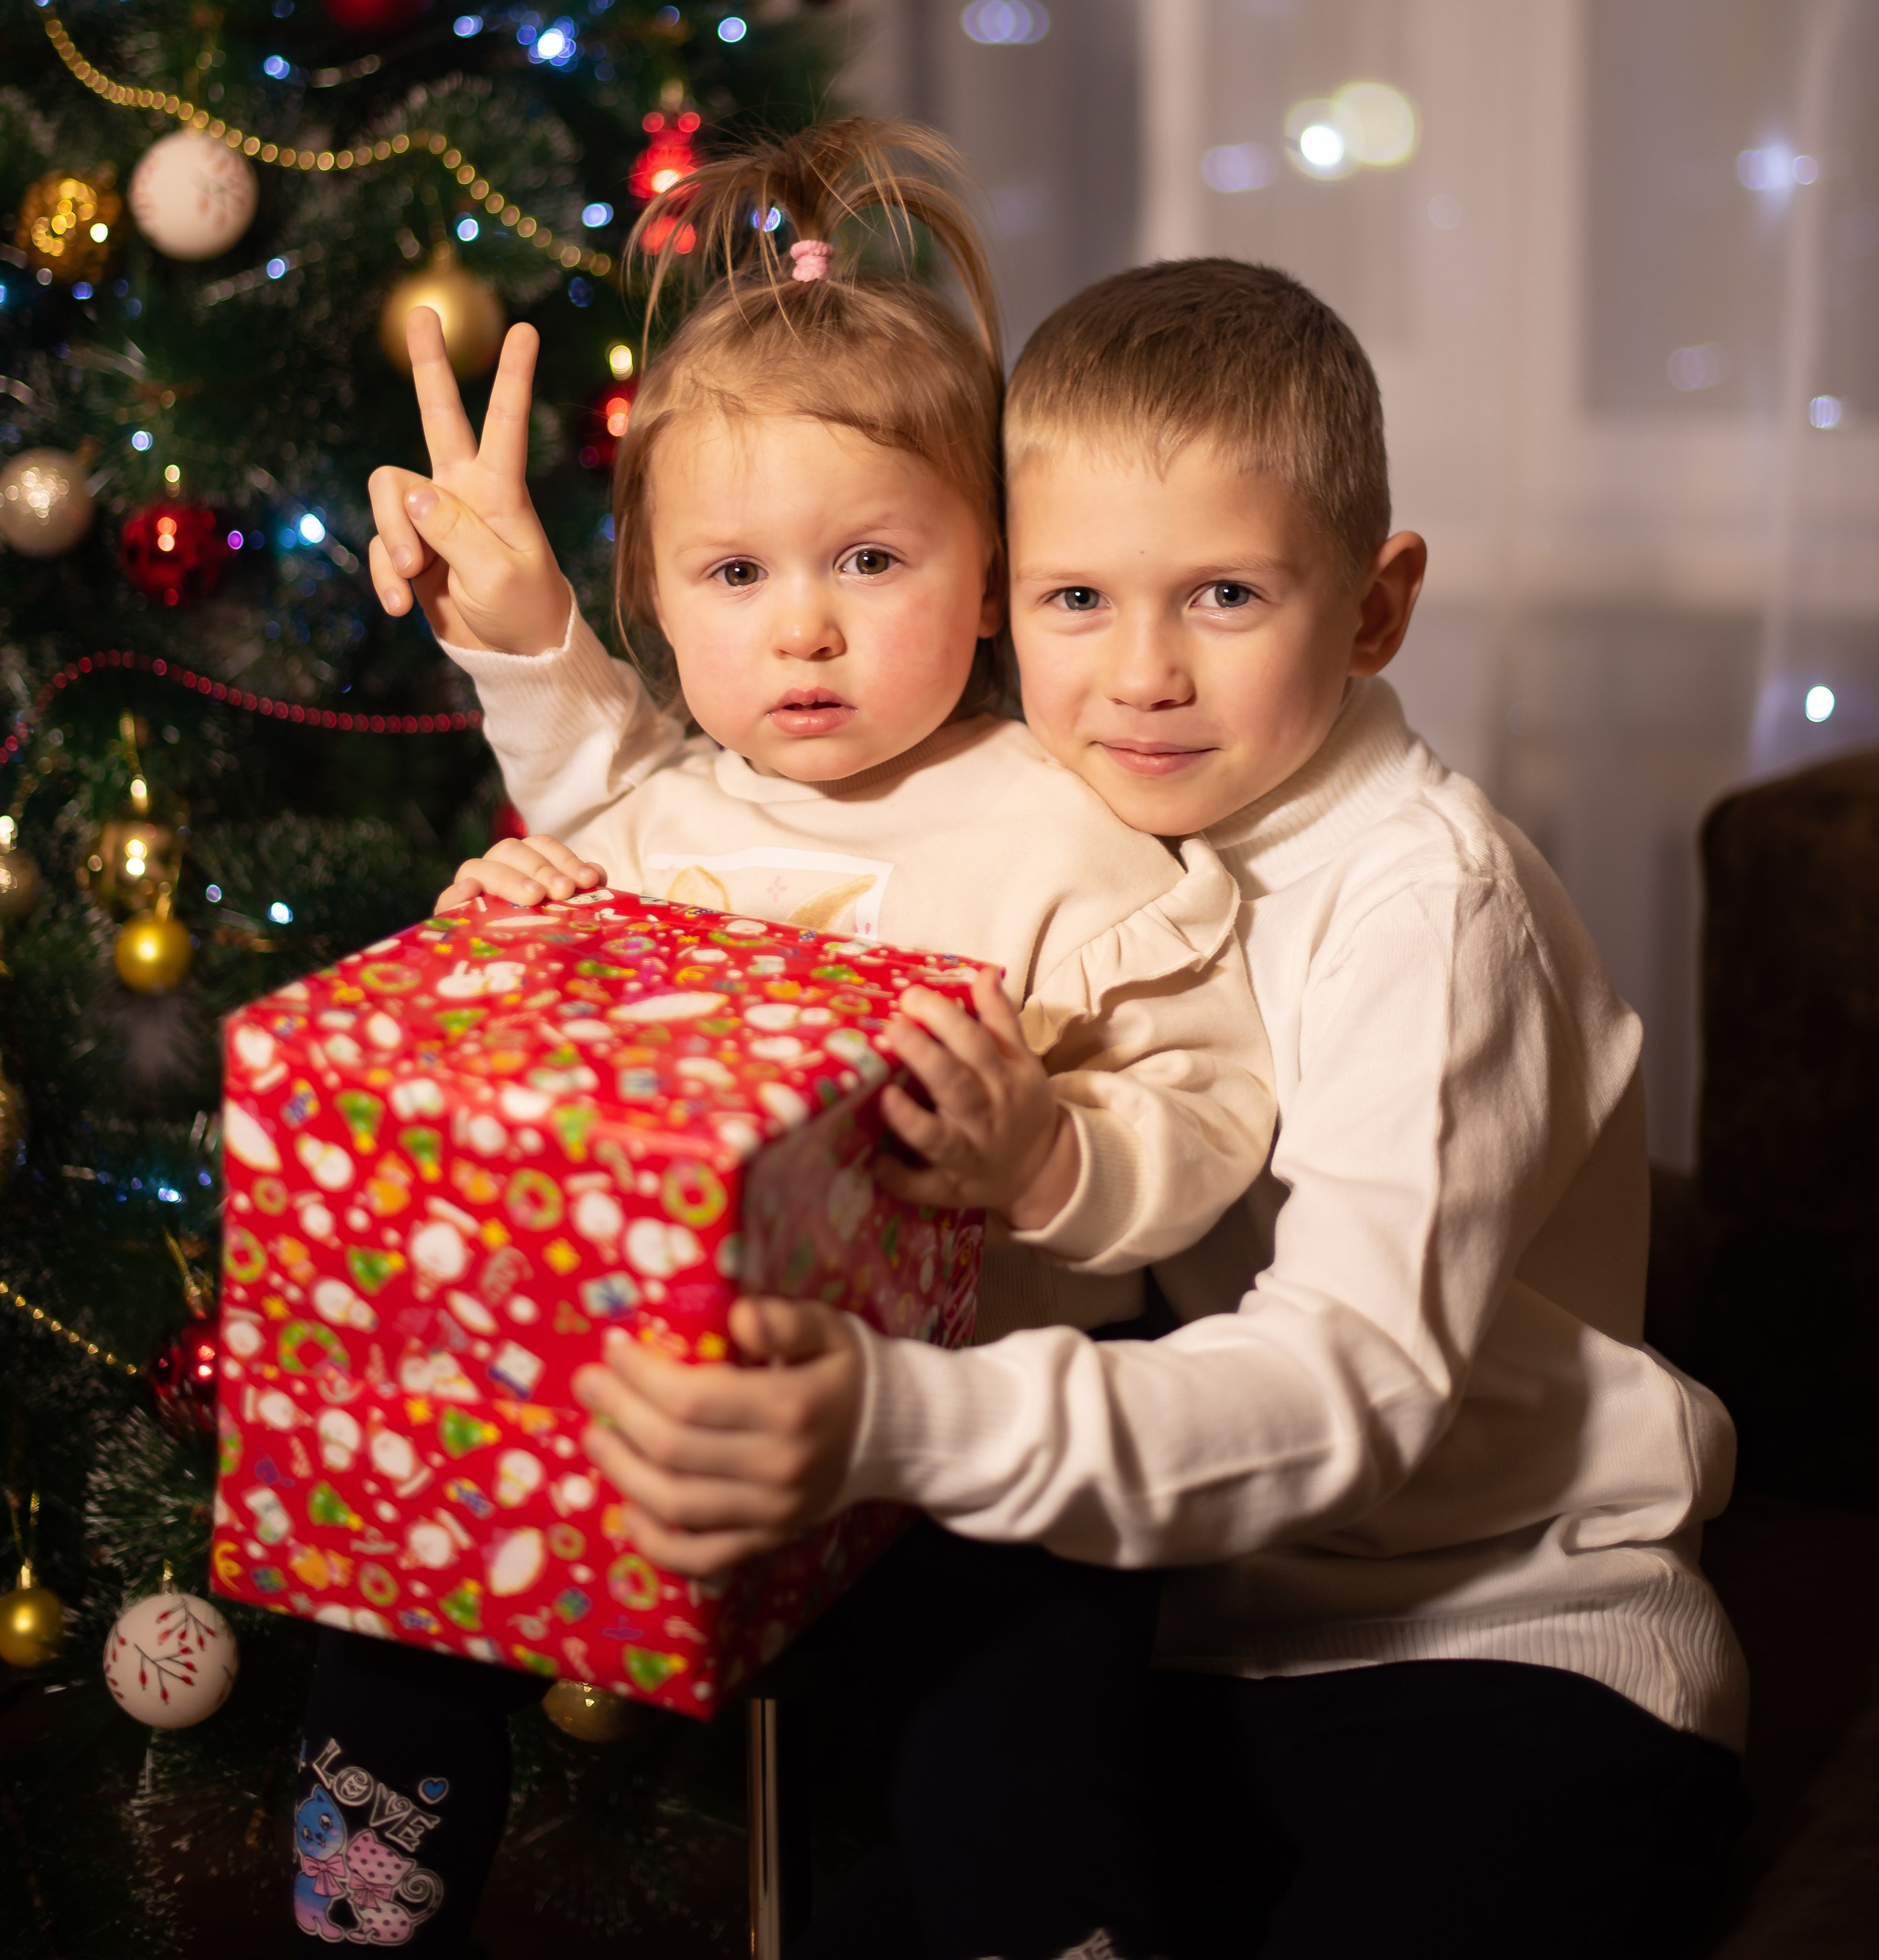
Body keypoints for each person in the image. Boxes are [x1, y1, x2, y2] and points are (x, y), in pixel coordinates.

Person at [566, 256, 1750, 1960]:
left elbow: (1352, 1384)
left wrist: (903, 1425)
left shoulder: (1424, 905)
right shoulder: (1063, 803)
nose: (1139, 678)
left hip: (1497, 1647)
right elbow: (729, 828)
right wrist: (533, 653)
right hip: (1167, 1636)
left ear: (1371, 606)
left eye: (1222, 597)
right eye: (1073, 600)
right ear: (989, 594)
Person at [299, 127, 1275, 1957]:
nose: (804, 626)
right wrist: (513, 943)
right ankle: (366, 1900)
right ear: (660, 604)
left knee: (1018, 1742)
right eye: (732, 575)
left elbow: (1210, 1110)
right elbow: (584, 824)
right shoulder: (666, 816)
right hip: (675, 1429)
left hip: (970, 1454)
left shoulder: (1064, 830)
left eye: (871, 558)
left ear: (989, 576)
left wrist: (1051, 1154)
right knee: (399, 1604)